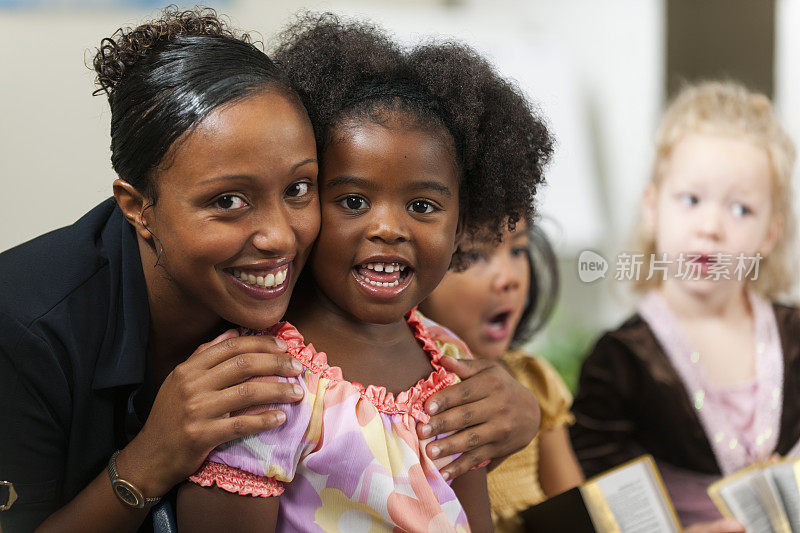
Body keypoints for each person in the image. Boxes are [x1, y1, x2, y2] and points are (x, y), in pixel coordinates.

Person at [0, 8, 542, 532]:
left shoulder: (348, 299)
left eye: (299, 189)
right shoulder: (24, 328)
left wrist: (519, 408)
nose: (281, 236)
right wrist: (149, 459)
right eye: (229, 200)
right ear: (138, 207)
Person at [176, 13, 553, 532]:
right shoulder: (263, 383)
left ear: (463, 223)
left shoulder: (453, 363)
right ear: (303, 201)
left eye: (423, 206)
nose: (389, 228)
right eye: (353, 200)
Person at [570, 81, 800, 533]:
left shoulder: (795, 335)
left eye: (740, 210)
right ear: (653, 209)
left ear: (769, 235)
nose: (710, 227)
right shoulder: (619, 361)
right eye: (691, 200)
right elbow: (599, 506)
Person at [420, 220, 584, 532]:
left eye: (518, 250)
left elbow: (576, 509)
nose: (509, 278)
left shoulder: (534, 379)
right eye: (473, 256)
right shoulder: (405, 397)